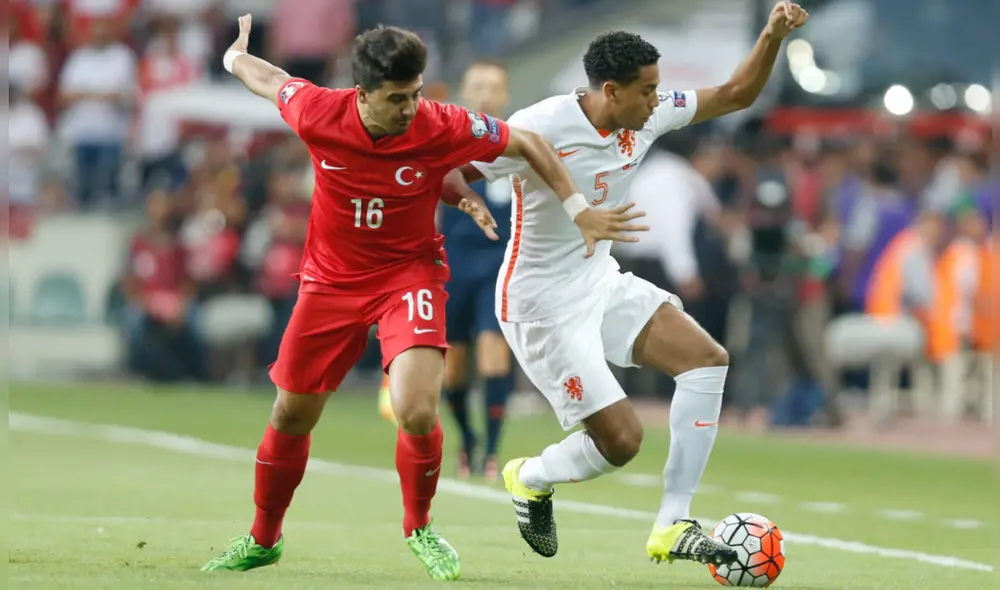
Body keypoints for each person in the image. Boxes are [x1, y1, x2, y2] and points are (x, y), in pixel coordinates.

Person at [201, 16, 641, 580]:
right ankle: (263, 538)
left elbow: (527, 142)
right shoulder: (317, 111)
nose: (410, 108)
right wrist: (232, 56)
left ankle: (420, 527)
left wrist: (579, 210)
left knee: (414, 408)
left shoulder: (440, 121)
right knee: (291, 414)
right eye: (396, 99)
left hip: (409, 275)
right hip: (330, 282)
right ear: (361, 94)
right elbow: (269, 79)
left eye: (414, 94)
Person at [449, 1, 809, 565]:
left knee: (707, 358)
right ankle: (531, 476)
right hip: (539, 304)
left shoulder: (649, 113)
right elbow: (449, 169)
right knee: (621, 442)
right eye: (646, 91)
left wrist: (771, 35)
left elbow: (737, 93)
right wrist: (466, 200)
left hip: (600, 281)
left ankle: (673, 523)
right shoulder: (538, 125)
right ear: (610, 91)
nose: (657, 99)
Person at [381, 59, 517, 482]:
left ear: (504, 94)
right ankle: (468, 439)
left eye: (493, 87)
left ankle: (492, 451)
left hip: (499, 264)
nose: (484, 94)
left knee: (495, 354)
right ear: (465, 90)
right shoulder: (445, 141)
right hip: (453, 264)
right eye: (477, 85)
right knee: (454, 366)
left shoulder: (519, 146)